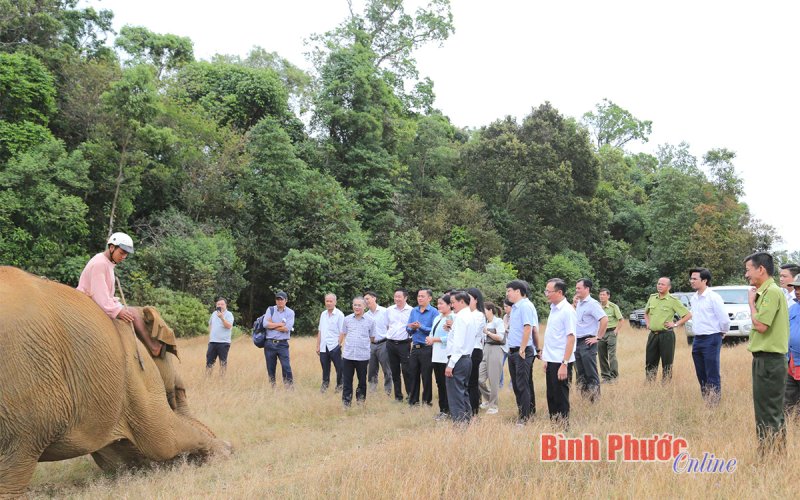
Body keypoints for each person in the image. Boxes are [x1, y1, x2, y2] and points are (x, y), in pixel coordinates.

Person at [77, 232, 163, 357]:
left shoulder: (106, 262)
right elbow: (100, 296)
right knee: (132, 313)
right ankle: (153, 346)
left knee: (132, 311)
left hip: (95, 302)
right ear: (112, 247)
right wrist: (118, 311)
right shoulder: (100, 264)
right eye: (121, 253)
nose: (123, 257)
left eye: (126, 254)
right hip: (89, 305)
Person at [744, 252, 789, 453]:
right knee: (765, 410)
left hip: (770, 361)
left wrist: (751, 303)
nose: (747, 275)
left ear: (761, 269)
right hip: (765, 360)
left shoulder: (771, 292)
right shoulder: (767, 291)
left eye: (748, 270)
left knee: (769, 412)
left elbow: (761, 325)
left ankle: (771, 454)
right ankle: (771, 453)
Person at [688, 268, 730, 405]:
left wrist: (722, 332)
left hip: (712, 337)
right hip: (698, 338)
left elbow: (724, 319)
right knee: (700, 372)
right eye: (691, 278)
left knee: (712, 372)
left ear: (704, 280)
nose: (692, 281)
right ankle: (706, 400)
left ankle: (714, 404)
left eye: (695, 279)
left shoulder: (713, 297)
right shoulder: (694, 298)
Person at [542, 278, 576, 428]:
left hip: (561, 360)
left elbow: (571, 338)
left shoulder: (567, 310)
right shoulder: (553, 308)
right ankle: (554, 424)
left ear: (559, 292)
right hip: (551, 359)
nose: (546, 294)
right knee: (551, 395)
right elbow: (552, 336)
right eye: (546, 291)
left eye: (549, 291)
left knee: (560, 395)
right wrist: (545, 359)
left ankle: (563, 426)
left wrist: (564, 363)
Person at [644, 277, 691, 382]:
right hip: (653, 335)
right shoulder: (652, 298)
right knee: (650, 361)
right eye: (658, 284)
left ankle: (666, 386)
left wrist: (675, 324)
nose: (659, 286)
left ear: (669, 287)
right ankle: (649, 384)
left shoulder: (673, 301)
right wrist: (648, 323)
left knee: (667, 363)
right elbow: (645, 313)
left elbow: (688, 315)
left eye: (663, 284)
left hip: (666, 335)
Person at [505, 280, 540, 424]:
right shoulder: (515, 308)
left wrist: (523, 348)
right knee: (519, 384)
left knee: (522, 385)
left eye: (509, 291)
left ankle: (524, 418)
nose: (507, 294)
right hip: (513, 351)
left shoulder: (525, 306)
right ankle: (528, 412)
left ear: (518, 291)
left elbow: (528, 328)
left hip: (522, 351)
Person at [573, 278, 607, 402]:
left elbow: (604, 319)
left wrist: (598, 337)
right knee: (580, 373)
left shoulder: (592, 304)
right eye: (576, 288)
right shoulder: (579, 303)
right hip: (577, 342)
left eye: (579, 288)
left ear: (587, 289)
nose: (576, 290)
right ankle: (585, 399)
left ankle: (595, 400)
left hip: (587, 342)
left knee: (590, 372)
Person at [340, 297, 377, 407]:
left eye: (359, 305)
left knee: (362, 381)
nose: (356, 307)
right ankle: (346, 403)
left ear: (364, 307)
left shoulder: (370, 321)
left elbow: (372, 337)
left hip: (362, 356)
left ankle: (360, 402)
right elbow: (345, 333)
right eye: (355, 305)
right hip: (348, 355)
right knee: (347, 381)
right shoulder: (347, 319)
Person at [445, 291, 474, 423]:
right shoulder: (470, 316)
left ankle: (460, 424)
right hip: (466, 358)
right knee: (463, 392)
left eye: (453, 302)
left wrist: (450, 364)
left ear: (462, 301)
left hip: (458, 359)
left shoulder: (461, 318)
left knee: (455, 394)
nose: (452, 305)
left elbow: (459, 344)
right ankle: (467, 420)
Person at [407, 289, 437, 406]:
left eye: (422, 296)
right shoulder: (414, 311)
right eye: (418, 296)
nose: (419, 298)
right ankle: (413, 401)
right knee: (413, 374)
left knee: (426, 376)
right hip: (415, 347)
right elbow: (408, 327)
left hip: (427, 347)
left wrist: (421, 327)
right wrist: (413, 328)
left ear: (429, 298)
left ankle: (426, 401)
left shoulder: (434, 312)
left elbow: (434, 330)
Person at [427, 293, 454, 420]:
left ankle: (449, 410)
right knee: (439, 383)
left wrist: (435, 339)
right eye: (438, 303)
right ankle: (442, 409)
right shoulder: (437, 317)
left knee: (446, 384)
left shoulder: (453, 318)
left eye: (442, 303)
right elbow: (432, 332)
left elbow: (451, 337)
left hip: (446, 355)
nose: (439, 306)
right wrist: (430, 338)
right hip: (436, 355)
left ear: (449, 305)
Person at [385, 289, 413, 402]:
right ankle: (398, 396)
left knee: (406, 370)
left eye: (399, 297)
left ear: (405, 298)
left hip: (404, 344)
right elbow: (387, 325)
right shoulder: (389, 310)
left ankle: (410, 394)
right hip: (391, 343)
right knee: (394, 371)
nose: (397, 299)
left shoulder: (411, 310)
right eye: (395, 296)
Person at [478, 301, 506, 415]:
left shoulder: (498, 321)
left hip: (496, 350)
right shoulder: (483, 322)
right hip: (485, 349)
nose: (482, 312)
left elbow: (500, 337)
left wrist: (487, 332)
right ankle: (489, 399)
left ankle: (494, 406)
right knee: (479, 378)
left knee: (493, 379)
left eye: (484, 310)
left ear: (490, 310)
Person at [263, 291, 295, 387]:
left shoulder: (290, 312)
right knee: (271, 367)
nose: (280, 301)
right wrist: (280, 324)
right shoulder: (270, 309)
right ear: (275, 300)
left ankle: (289, 387)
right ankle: (272, 387)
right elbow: (265, 324)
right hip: (269, 343)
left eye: (282, 299)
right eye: (278, 299)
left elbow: (287, 328)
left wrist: (272, 325)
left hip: (282, 344)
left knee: (286, 366)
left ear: (286, 300)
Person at [365, 291, 392, 395]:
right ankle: (372, 391)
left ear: (374, 298)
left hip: (384, 343)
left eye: (368, 299)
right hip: (371, 345)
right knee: (371, 369)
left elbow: (390, 326)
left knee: (387, 369)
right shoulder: (366, 315)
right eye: (365, 300)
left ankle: (388, 391)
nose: (366, 301)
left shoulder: (384, 311)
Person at [317, 293, 344, 393]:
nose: (328, 303)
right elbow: (320, 330)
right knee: (325, 367)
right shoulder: (323, 314)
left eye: (330, 301)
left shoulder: (340, 315)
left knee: (339, 367)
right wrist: (318, 345)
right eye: (327, 301)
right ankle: (325, 385)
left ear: (335, 302)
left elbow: (342, 332)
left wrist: (338, 345)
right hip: (323, 346)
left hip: (334, 346)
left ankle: (340, 386)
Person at [466, 288, 486, 416]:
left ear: (476, 299)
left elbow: (471, 332)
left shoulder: (479, 315)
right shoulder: (466, 314)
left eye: (470, 298)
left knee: (472, 383)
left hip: (475, 351)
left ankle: (474, 411)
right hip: (467, 351)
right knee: (466, 383)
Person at [598, 288, 623, 383]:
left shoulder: (613, 306)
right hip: (600, 333)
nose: (601, 296)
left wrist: (616, 331)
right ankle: (605, 377)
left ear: (608, 296)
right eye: (600, 295)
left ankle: (614, 376)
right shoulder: (597, 307)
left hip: (611, 332)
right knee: (602, 355)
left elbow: (621, 320)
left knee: (612, 355)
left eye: (604, 295)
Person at [206, 297, 234, 376]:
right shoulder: (214, 313)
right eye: (218, 304)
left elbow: (229, 326)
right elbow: (210, 324)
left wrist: (222, 318)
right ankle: (207, 378)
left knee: (222, 362)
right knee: (209, 361)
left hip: (223, 343)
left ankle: (222, 379)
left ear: (226, 305)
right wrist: (211, 335)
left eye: (222, 304)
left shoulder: (229, 314)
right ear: (216, 305)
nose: (220, 306)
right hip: (212, 342)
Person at [785, 275, 800, 417]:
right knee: (788, 403)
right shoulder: (792, 309)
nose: (798, 291)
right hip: (791, 362)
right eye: (796, 287)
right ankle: (791, 431)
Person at [500, 299, 513, 389]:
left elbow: (508, 330)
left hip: (513, 344)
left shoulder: (515, 316)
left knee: (513, 367)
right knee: (499, 364)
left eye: (506, 306)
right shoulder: (505, 316)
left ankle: (511, 386)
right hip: (505, 344)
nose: (505, 308)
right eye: (504, 306)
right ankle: (500, 384)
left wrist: (506, 329)